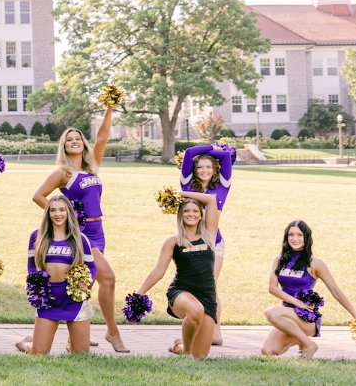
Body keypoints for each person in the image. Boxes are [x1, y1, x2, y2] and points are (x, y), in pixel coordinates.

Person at [30, 106, 128, 352]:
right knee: (108, 277)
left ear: (83, 144)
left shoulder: (92, 165)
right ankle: (112, 332)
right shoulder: (63, 173)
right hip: (81, 234)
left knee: (84, 282)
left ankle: (75, 335)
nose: (74, 142)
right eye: (69, 140)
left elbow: (103, 136)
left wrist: (109, 108)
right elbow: (39, 196)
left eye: (78, 139)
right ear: (63, 147)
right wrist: (64, 215)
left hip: (99, 231)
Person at [130, 190, 223, 358]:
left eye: (195, 211)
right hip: (181, 291)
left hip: (207, 295)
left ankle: (180, 347)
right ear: (180, 215)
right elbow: (159, 270)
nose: (191, 214)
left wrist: (179, 194)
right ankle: (186, 353)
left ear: (201, 216)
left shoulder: (209, 235)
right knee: (195, 310)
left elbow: (210, 200)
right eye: (186, 210)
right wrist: (140, 292)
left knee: (200, 356)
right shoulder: (173, 241)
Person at [260, 220, 356, 359]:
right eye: (291, 235)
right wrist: (297, 302)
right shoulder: (279, 260)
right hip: (286, 316)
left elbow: (335, 291)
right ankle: (302, 342)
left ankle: (308, 344)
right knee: (267, 351)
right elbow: (272, 288)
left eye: (299, 235)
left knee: (271, 313)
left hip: (306, 317)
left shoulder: (315, 263)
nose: (295, 239)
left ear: (307, 237)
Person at [17, 195, 105, 355]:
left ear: (68, 212)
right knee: (38, 354)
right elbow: (31, 266)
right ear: (48, 213)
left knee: (81, 356)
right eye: (53, 210)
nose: (57, 214)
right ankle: (27, 345)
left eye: (62, 210)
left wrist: (86, 283)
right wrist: (36, 285)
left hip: (74, 300)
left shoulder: (80, 238)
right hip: (49, 299)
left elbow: (92, 268)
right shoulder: (37, 237)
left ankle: (72, 345)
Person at [181, 142, 236, 344]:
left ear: (214, 170)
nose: (204, 170)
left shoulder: (222, 187)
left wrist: (215, 149)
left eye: (208, 167)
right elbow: (189, 153)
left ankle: (215, 332)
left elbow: (226, 158)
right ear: (194, 170)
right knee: (192, 288)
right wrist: (210, 147)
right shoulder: (186, 184)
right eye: (200, 167)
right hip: (190, 246)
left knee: (209, 285)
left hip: (214, 245)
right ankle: (196, 329)